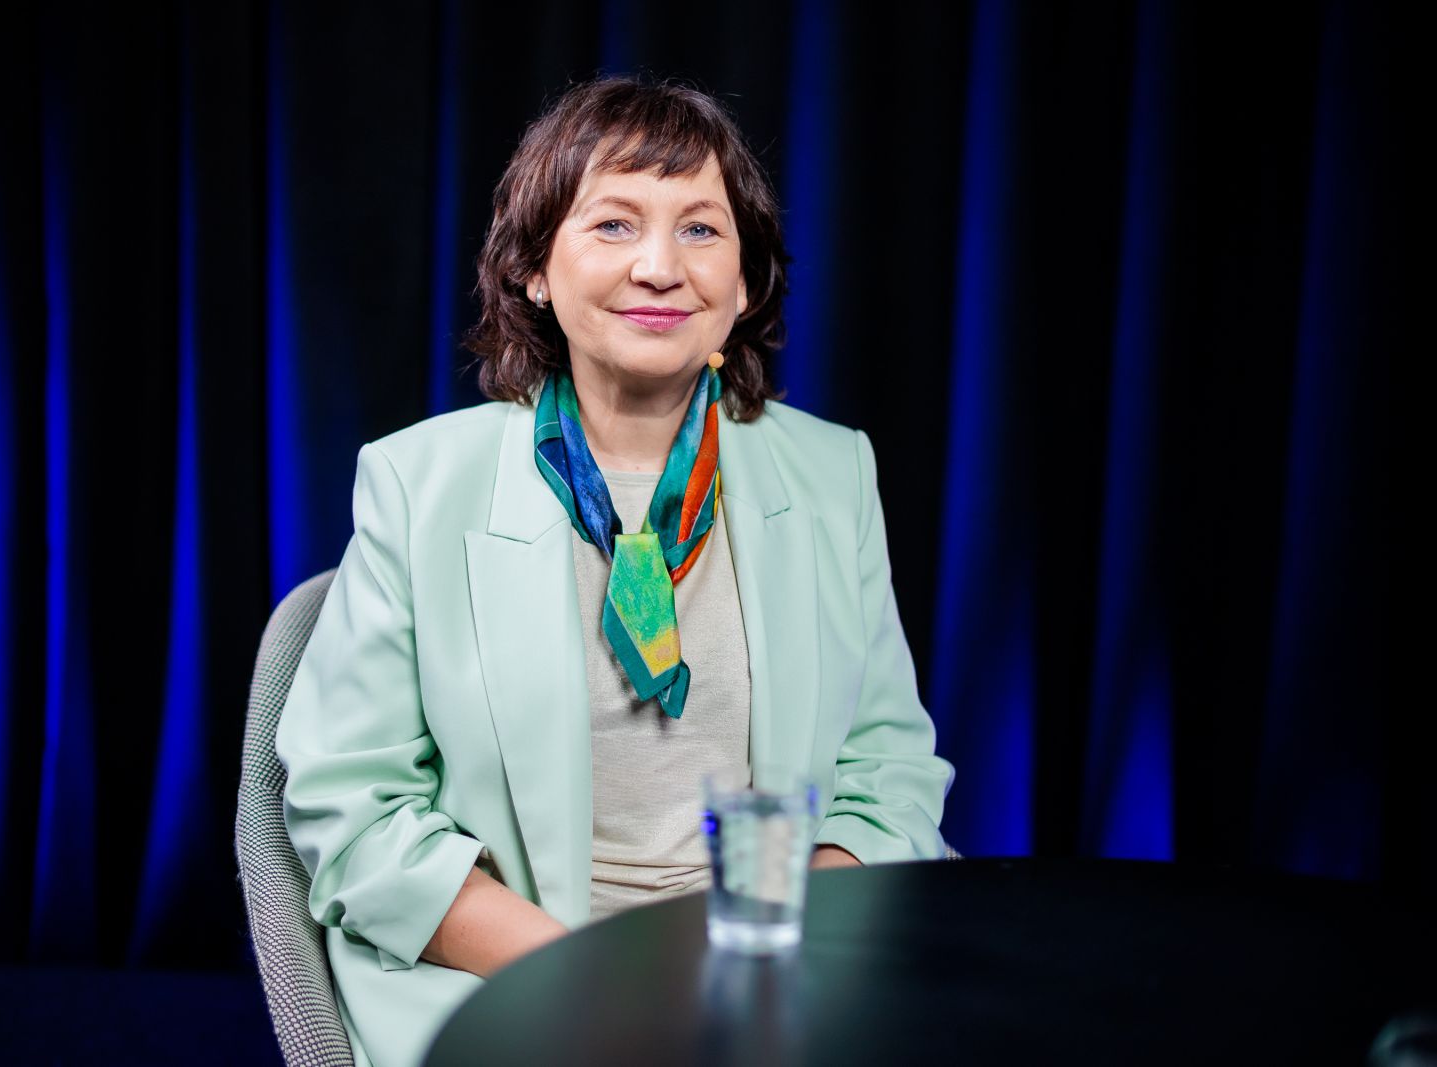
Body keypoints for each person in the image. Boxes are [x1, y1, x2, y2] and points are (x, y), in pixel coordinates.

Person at [277, 77, 954, 1067]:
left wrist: (769, 947)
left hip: (771, 972)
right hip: (515, 974)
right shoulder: (418, 484)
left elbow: (887, 769)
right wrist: (582, 976)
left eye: (700, 229)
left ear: (745, 282)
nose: (659, 266)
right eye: (613, 223)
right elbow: (356, 811)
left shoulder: (831, 472)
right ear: (534, 270)